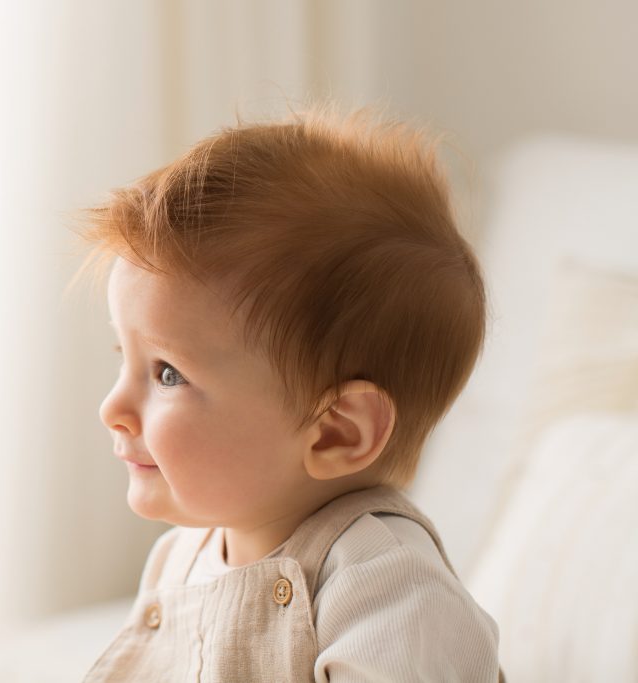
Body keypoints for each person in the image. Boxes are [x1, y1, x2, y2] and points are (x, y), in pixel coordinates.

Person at [70, 104, 504, 682]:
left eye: (168, 374)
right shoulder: (181, 559)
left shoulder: (386, 588)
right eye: (125, 358)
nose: (113, 409)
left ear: (335, 431)